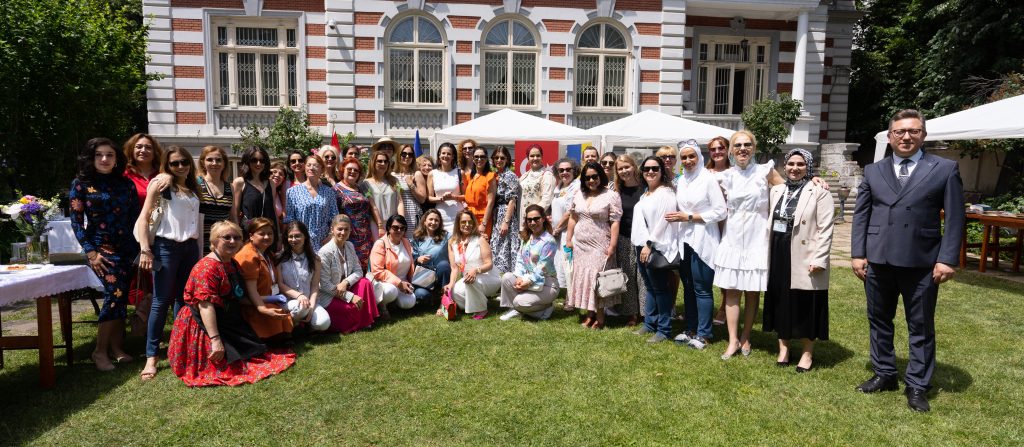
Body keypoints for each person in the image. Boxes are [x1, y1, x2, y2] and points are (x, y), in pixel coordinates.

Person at [851, 109, 965, 413]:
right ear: (890, 137)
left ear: (923, 135)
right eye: (899, 131)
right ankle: (884, 373)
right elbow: (861, 215)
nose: (906, 137)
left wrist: (947, 259)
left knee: (921, 326)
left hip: (922, 263)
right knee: (879, 320)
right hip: (879, 260)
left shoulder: (944, 169)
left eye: (913, 131)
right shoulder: (873, 170)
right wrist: (858, 254)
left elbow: (955, 218)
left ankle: (917, 384)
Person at [167, 220, 296, 387]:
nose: (232, 241)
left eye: (236, 237)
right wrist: (215, 340)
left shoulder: (231, 262)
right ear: (214, 241)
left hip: (226, 317)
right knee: (230, 365)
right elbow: (205, 306)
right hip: (204, 322)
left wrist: (265, 307)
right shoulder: (206, 268)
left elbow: (238, 296)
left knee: (254, 353)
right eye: (226, 237)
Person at [70, 138, 141, 371]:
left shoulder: (126, 184)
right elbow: (76, 222)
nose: (104, 159)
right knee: (114, 293)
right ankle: (99, 351)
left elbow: (135, 218)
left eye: (109, 155)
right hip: (101, 250)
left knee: (121, 297)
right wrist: (91, 253)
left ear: (116, 159)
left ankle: (116, 348)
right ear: (91, 158)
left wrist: (140, 248)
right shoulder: (81, 184)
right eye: (99, 154)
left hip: (127, 248)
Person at [136, 145, 202, 381]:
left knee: (184, 300)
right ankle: (151, 357)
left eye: (184, 162)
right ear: (167, 165)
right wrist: (145, 250)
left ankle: (178, 347)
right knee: (160, 301)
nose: (180, 166)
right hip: (166, 248)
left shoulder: (193, 188)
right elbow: (144, 218)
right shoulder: (161, 183)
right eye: (174, 163)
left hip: (189, 248)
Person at [764, 149, 834, 371]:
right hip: (778, 251)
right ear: (785, 166)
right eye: (791, 164)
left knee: (806, 303)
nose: (795, 168)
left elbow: (826, 228)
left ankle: (807, 353)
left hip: (805, 254)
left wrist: (820, 259)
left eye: (801, 164)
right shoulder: (776, 189)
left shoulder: (819, 191)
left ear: (808, 166)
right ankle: (783, 348)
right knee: (781, 300)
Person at [667, 143, 726, 350]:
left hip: (704, 239)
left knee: (702, 288)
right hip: (685, 239)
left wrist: (690, 217)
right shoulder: (682, 180)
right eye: (684, 157)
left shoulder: (708, 179)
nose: (688, 161)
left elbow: (721, 211)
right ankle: (690, 328)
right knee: (688, 286)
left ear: (699, 157)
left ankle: (704, 333)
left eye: (691, 156)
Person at [565, 162, 622, 329]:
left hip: (600, 244)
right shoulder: (579, 194)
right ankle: (589, 314)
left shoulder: (611, 195)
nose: (591, 180)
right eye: (587, 177)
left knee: (597, 279)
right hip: (581, 245)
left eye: (594, 176)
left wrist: (612, 245)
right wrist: (569, 239)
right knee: (585, 278)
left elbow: (615, 222)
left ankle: (601, 317)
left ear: (600, 176)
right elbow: (573, 217)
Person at [630, 157, 679, 342]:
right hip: (641, 245)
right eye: (646, 168)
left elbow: (665, 220)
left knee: (660, 289)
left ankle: (664, 329)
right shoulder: (646, 193)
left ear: (661, 171)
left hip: (655, 247)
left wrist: (649, 244)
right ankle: (650, 324)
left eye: (654, 168)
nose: (650, 172)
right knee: (650, 287)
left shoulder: (666, 193)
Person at [317, 215, 379, 333]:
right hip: (329, 295)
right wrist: (350, 297)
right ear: (332, 230)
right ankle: (359, 320)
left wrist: (346, 282)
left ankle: (364, 320)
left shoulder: (349, 245)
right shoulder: (324, 252)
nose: (343, 232)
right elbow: (324, 285)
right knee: (352, 309)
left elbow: (358, 271)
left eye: (346, 229)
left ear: (350, 231)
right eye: (339, 229)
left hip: (346, 288)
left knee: (365, 282)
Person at [234, 218, 293, 340]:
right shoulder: (248, 256)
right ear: (251, 236)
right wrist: (265, 308)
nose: (267, 237)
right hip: (253, 306)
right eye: (262, 234)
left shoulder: (267, 253)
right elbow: (251, 293)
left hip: (269, 300)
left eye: (270, 233)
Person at [498, 205, 559, 321]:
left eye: (536, 219)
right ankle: (518, 309)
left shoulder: (549, 241)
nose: (533, 222)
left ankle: (545, 308)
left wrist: (528, 282)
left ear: (543, 219)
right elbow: (520, 260)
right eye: (529, 220)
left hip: (547, 284)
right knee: (506, 278)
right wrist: (519, 277)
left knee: (519, 302)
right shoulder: (526, 238)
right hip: (528, 278)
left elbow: (542, 267)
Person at [445, 210, 501, 319]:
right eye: (463, 222)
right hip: (469, 278)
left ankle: (482, 310)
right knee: (455, 292)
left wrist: (476, 270)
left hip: (488, 277)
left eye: (470, 222)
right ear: (458, 224)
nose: (467, 225)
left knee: (470, 280)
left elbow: (489, 264)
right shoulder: (452, 242)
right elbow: (454, 268)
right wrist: (450, 285)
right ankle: (478, 303)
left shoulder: (480, 239)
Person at [276, 221, 330, 332]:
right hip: (288, 301)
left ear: (305, 237)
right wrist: (299, 295)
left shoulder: (315, 259)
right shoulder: (280, 259)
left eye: (297, 236)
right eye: (290, 236)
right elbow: (280, 285)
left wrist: (312, 307)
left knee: (324, 323)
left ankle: (305, 324)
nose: (294, 239)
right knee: (301, 307)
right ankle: (290, 325)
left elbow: (315, 286)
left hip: (309, 302)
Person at [612, 154, 645, 326]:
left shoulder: (645, 187)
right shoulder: (616, 190)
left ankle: (645, 312)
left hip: (644, 238)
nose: (624, 171)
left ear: (634, 166)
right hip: (624, 238)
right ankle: (631, 313)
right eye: (620, 168)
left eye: (627, 167)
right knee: (628, 276)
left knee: (643, 277)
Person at [336, 157, 380, 270]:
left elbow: (369, 211)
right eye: (349, 169)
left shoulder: (361, 189)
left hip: (367, 237)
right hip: (349, 238)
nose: (353, 172)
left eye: (356, 170)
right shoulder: (336, 190)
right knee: (352, 271)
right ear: (343, 170)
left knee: (368, 270)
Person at [285, 154, 338, 247]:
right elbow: (290, 219)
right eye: (309, 165)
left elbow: (334, 216)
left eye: (315, 165)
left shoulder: (329, 192)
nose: (311, 168)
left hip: (324, 241)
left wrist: (330, 236)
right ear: (305, 168)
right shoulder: (292, 192)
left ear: (322, 169)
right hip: (301, 242)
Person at [706, 136, 732, 325]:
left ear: (727, 150)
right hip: (708, 225)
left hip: (729, 224)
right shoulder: (705, 173)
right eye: (713, 149)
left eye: (721, 148)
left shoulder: (736, 172)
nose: (717, 152)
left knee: (726, 266)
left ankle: (724, 308)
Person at [369, 215, 417, 317]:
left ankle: (393, 302)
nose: (399, 230)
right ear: (388, 228)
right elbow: (377, 271)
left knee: (409, 303)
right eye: (395, 227)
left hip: (404, 282)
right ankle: (382, 306)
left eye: (402, 228)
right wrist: (399, 283)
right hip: (384, 282)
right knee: (391, 291)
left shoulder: (406, 242)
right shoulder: (380, 244)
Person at [232, 147, 279, 247]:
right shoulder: (240, 182)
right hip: (249, 235)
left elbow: (273, 211)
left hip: (269, 235)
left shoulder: (271, 183)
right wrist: (238, 235)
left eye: (262, 160)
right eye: (254, 160)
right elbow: (235, 213)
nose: (258, 163)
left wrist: (278, 235)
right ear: (247, 161)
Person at [196, 146, 236, 256]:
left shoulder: (230, 187)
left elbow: (233, 217)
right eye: (210, 159)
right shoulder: (197, 184)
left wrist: (237, 239)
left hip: (224, 244)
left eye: (218, 160)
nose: (214, 163)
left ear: (224, 163)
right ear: (203, 162)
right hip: (201, 243)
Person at [551, 158, 580, 307]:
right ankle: (566, 294)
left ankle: (571, 299)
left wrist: (557, 228)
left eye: (568, 169)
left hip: (569, 233)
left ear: (574, 171)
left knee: (569, 265)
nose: (564, 172)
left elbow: (570, 211)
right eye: (561, 170)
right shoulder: (558, 187)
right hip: (558, 233)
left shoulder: (576, 186)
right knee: (561, 265)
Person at [488, 146, 521, 274]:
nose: (499, 160)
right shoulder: (496, 174)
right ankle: (497, 276)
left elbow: (512, 200)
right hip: (497, 214)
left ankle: (507, 276)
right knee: (497, 245)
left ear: (507, 160)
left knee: (505, 246)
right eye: (496, 157)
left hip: (506, 214)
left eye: (502, 158)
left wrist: (506, 222)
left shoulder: (510, 175)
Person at [411, 209, 451, 305]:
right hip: (424, 276)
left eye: (436, 220)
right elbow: (411, 257)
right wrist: (418, 259)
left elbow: (460, 238)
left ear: (440, 223)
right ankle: (435, 296)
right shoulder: (416, 237)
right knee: (420, 294)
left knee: (444, 264)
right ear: (424, 221)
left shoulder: (446, 236)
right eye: (431, 219)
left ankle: (445, 297)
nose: (433, 222)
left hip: (441, 274)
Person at [427, 143, 465, 233]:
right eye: (443, 153)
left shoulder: (460, 173)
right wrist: (442, 199)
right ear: (439, 155)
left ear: (453, 156)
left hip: (457, 215)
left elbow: (465, 196)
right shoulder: (432, 174)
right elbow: (429, 198)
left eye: (449, 154)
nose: (446, 156)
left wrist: (453, 197)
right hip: (439, 216)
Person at [122, 133, 164, 211]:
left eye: (148, 147)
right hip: (134, 218)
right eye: (139, 147)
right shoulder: (124, 175)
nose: (143, 150)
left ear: (155, 152)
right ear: (131, 150)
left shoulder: (163, 173)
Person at [364, 151, 401, 234]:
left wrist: (401, 221)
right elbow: (373, 206)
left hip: (394, 224)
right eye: (379, 161)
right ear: (373, 163)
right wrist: (380, 226)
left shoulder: (394, 181)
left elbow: (400, 202)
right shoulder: (366, 183)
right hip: (376, 225)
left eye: (385, 161)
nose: (383, 164)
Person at [463, 146, 497, 237]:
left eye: (482, 157)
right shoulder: (469, 176)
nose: (479, 159)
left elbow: (491, 202)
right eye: (476, 157)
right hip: (469, 217)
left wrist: (484, 223)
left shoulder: (490, 176)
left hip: (483, 217)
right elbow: (467, 197)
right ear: (473, 159)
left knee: (482, 243)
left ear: (486, 159)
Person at [518, 144, 555, 224]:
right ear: (528, 158)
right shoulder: (524, 176)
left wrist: (533, 216)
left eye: (538, 155)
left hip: (536, 221)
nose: (535, 158)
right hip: (522, 218)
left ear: (542, 157)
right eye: (532, 156)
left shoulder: (547, 175)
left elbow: (547, 199)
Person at [395, 144, 424, 239]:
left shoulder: (416, 174)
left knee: (412, 243)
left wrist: (411, 185)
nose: (407, 156)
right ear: (398, 155)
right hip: (397, 215)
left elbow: (422, 199)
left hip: (413, 215)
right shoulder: (392, 175)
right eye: (404, 154)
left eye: (410, 154)